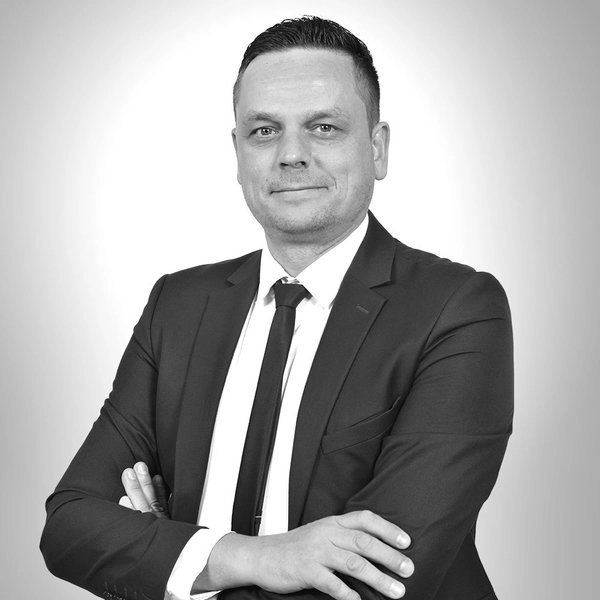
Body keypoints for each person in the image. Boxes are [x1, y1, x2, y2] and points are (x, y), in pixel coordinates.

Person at [40, 16, 513, 600]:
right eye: (264, 131)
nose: (291, 154)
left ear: (377, 148)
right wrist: (253, 557)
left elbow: (378, 577)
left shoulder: (457, 309)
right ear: (238, 153)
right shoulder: (177, 305)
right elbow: (71, 526)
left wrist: (174, 559)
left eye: (324, 127)